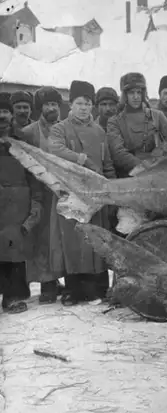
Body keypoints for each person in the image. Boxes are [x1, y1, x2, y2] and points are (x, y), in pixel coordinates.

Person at [47, 80, 116, 305]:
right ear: (70, 104)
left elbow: (106, 163)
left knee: (95, 241)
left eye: (88, 103)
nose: (84, 108)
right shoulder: (60, 128)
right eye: (79, 103)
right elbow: (53, 148)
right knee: (73, 243)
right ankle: (73, 291)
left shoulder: (99, 131)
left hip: (94, 196)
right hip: (70, 195)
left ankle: (98, 288)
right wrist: (81, 159)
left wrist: (112, 186)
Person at [21, 86, 66, 303]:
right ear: (40, 108)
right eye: (48, 104)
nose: (52, 108)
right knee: (41, 240)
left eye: (55, 104)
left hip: (61, 193)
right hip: (39, 193)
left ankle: (61, 280)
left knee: (60, 240)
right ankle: (47, 285)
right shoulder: (29, 132)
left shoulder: (64, 129)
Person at [0, 92, 43, 313]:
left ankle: (13, 297)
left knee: (13, 251)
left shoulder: (21, 140)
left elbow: (33, 174)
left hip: (17, 205)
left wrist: (35, 202)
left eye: (5, 111)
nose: (2, 115)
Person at [107, 72, 167, 177]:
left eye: (139, 92)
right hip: (128, 176)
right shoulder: (115, 121)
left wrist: (159, 154)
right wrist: (143, 166)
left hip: (157, 172)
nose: (136, 97)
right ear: (125, 95)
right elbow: (118, 153)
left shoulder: (157, 116)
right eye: (131, 93)